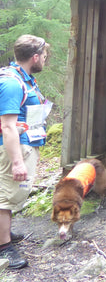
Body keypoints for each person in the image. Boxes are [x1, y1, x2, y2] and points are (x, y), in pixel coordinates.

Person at [0, 35, 50, 269]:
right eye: (45, 56)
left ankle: (5, 233)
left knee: (14, 194)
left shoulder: (25, 78)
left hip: (26, 144)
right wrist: (17, 162)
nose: (46, 60)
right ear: (35, 57)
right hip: (14, 148)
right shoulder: (12, 82)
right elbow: (8, 126)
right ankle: (4, 247)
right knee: (5, 197)